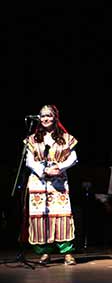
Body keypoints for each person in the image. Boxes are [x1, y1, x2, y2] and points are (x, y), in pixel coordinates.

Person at [24, 105, 79, 265]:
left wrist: (60, 168)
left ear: (55, 117)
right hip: (39, 182)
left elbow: (73, 158)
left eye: (48, 115)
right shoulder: (32, 139)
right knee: (41, 217)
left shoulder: (66, 137)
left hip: (58, 182)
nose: (45, 119)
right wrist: (43, 170)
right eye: (42, 116)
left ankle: (67, 252)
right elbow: (29, 160)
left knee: (61, 215)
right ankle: (44, 252)